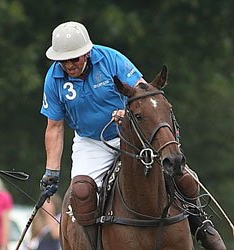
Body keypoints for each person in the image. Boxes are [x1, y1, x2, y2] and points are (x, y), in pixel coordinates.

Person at [38, 21, 224, 249]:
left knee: (183, 177)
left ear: (86, 52)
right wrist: (51, 172)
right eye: (63, 60)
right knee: (82, 192)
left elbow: (145, 95)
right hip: (92, 143)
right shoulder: (54, 78)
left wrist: (126, 112)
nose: (68, 65)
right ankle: (92, 244)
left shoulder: (111, 59)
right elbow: (55, 126)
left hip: (132, 134)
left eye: (74, 58)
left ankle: (203, 227)